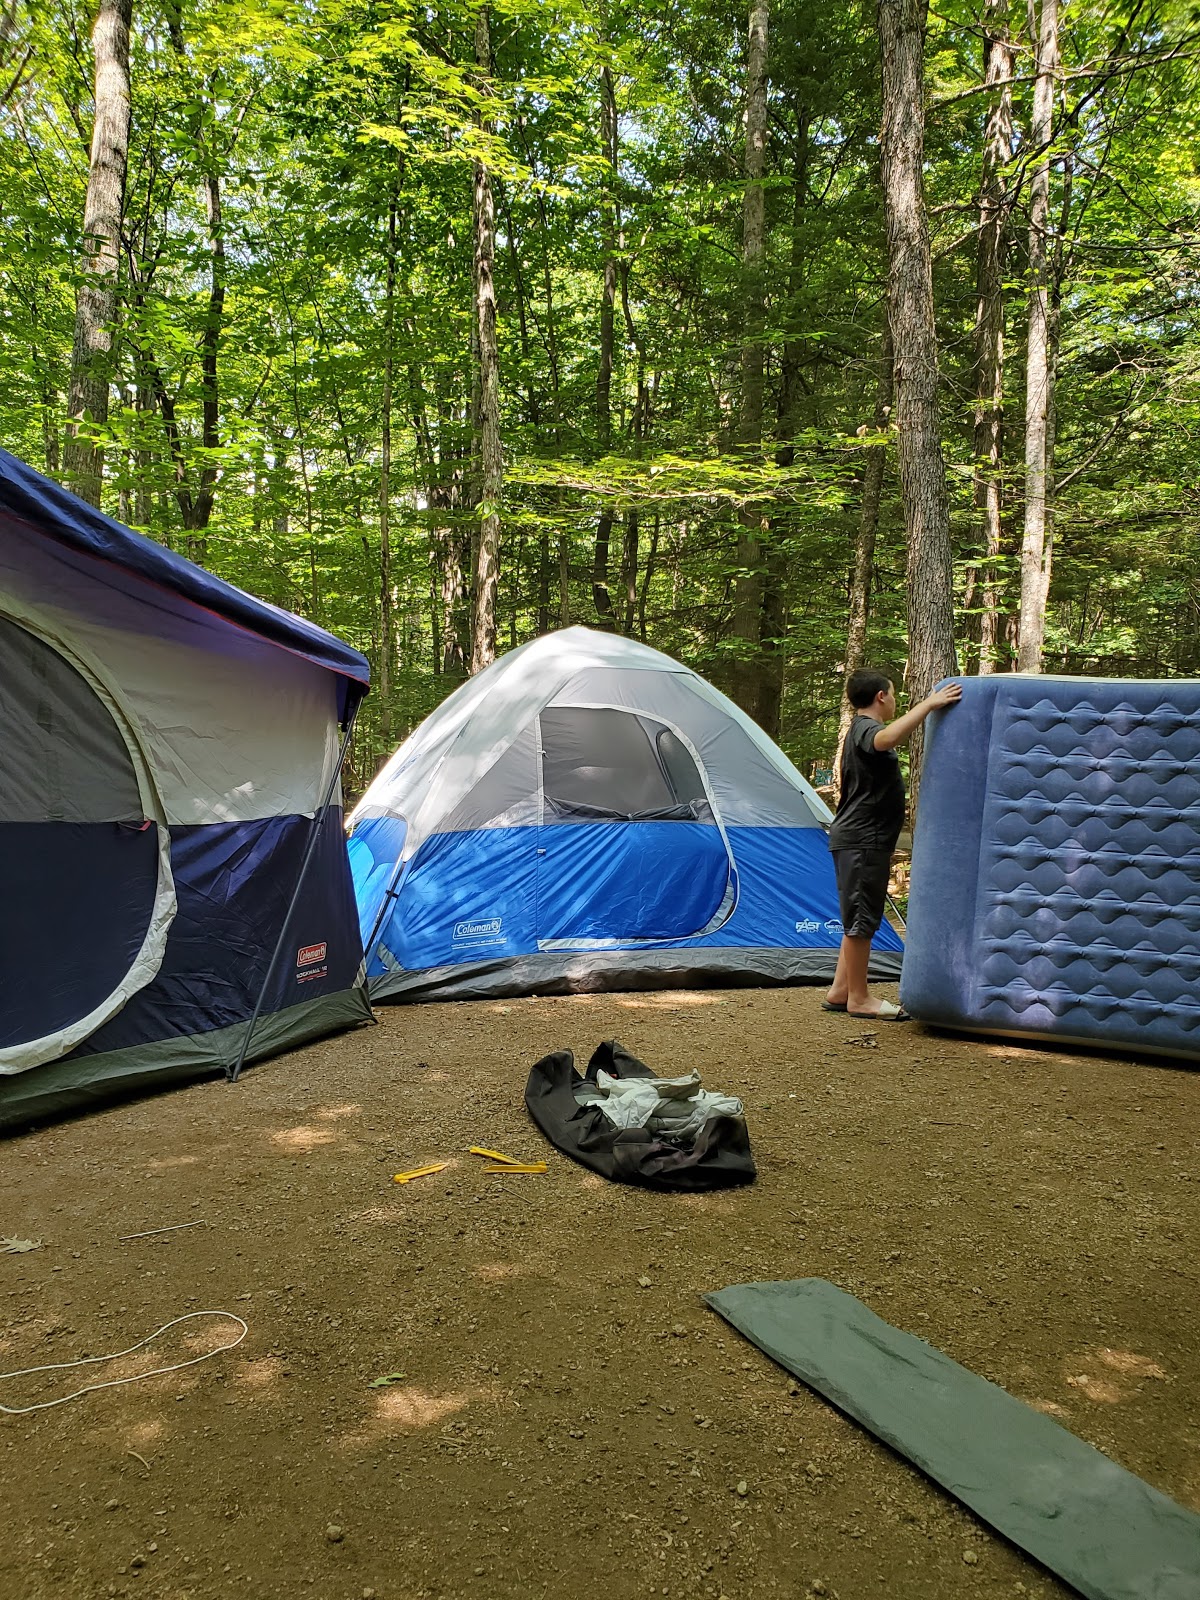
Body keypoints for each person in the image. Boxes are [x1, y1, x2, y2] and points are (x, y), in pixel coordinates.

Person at [823, 668, 961, 1020]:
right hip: (862, 839)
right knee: (862, 920)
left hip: (862, 839)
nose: (896, 701)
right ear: (881, 697)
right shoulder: (867, 728)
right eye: (894, 694)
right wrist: (929, 705)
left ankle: (841, 991)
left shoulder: (858, 729)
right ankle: (860, 998)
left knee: (859, 917)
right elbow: (885, 740)